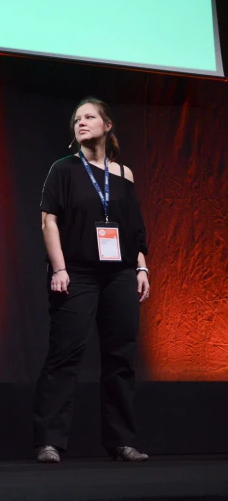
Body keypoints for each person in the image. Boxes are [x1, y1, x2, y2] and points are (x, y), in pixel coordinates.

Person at [33, 97, 150, 463]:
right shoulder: (64, 169)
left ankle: (121, 441)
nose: (81, 122)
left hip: (120, 272)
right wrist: (60, 268)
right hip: (79, 271)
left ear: (107, 125)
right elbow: (48, 220)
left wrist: (142, 267)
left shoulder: (124, 174)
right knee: (65, 355)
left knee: (120, 357)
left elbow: (134, 230)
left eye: (89, 117)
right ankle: (49, 441)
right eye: (77, 119)